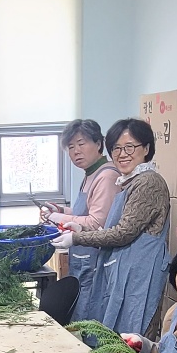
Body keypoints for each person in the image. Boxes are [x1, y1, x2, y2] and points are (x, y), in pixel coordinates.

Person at [56, 118, 170, 335]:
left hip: (140, 274)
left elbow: (123, 233)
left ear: (146, 149)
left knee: (133, 336)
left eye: (130, 147)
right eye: (116, 148)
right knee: (115, 334)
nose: (122, 154)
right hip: (125, 271)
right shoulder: (129, 181)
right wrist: (82, 229)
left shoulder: (148, 182)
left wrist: (77, 237)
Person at [42, 119, 120, 289]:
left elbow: (96, 223)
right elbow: (84, 211)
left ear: (98, 144)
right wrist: (61, 210)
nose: (76, 151)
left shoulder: (106, 176)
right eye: (71, 147)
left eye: (81, 144)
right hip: (82, 258)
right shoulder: (90, 173)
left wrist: (57, 217)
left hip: (95, 261)